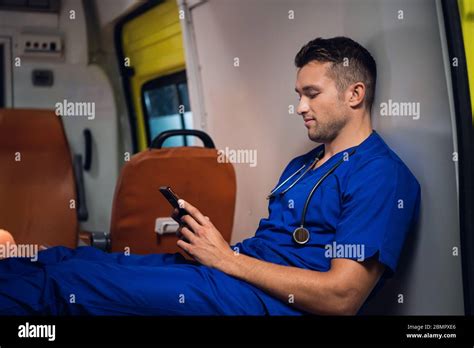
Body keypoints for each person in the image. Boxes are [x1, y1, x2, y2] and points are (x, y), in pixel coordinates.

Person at [0, 37, 420, 315]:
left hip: (258, 301)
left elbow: (344, 296)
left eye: (311, 94)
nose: (299, 107)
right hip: (229, 273)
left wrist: (226, 259)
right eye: (298, 95)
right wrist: (213, 248)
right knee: (80, 260)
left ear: (355, 94)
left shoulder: (380, 175)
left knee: (70, 287)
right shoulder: (301, 166)